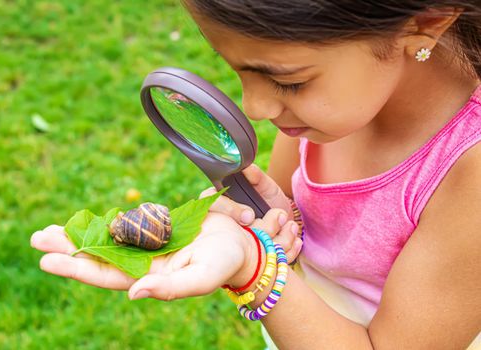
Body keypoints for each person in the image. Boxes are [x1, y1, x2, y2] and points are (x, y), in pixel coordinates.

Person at [30, 1, 481, 348]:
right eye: (237, 71)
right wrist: (279, 222)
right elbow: (310, 240)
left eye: (288, 81)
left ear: (425, 23)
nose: (256, 109)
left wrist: (254, 267)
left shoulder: (469, 168)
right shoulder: (326, 115)